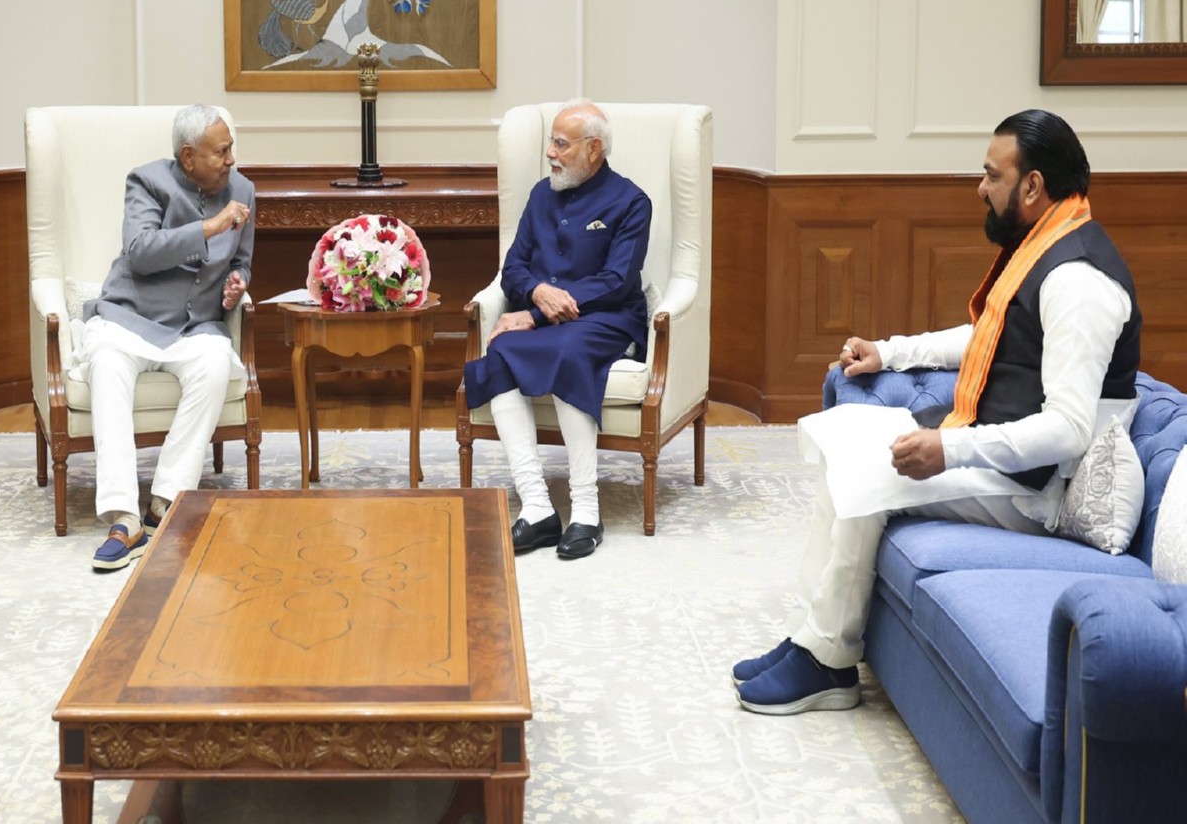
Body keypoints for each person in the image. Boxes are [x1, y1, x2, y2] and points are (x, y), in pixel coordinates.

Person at [733, 109, 1140, 715]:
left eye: (991, 175)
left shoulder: (1078, 280)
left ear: (1032, 186)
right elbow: (988, 337)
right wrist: (890, 353)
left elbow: (1068, 430)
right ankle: (811, 638)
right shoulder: (1044, 242)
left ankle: (828, 664)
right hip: (1000, 451)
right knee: (842, 436)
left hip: (1041, 490)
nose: (980, 186)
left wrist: (946, 450)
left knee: (864, 476)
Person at [463, 100, 652, 561]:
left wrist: (536, 312)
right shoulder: (540, 195)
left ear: (593, 149)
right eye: (551, 141)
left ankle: (586, 511)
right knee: (500, 351)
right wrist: (537, 293)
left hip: (605, 318)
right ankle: (538, 507)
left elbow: (616, 282)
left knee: (569, 352)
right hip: (552, 317)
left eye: (561, 144)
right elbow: (514, 270)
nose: (550, 152)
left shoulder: (631, 202)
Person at [82, 104, 254, 572]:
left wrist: (236, 286)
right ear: (188, 156)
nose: (231, 159)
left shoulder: (243, 191)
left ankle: (165, 503)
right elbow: (139, 253)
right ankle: (123, 516)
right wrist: (210, 227)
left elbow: (241, 263)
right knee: (107, 364)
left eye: (231, 148)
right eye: (221, 151)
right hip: (130, 318)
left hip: (195, 326)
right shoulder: (147, 181)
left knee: (217, 364)